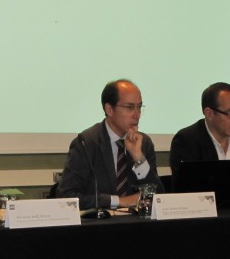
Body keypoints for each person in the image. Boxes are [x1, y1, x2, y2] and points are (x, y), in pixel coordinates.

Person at [57, 79, 163, 210]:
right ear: (109, 109)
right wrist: (118, 201)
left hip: (135, 221)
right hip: (100, 221)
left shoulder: (143, 143)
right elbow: (66, 197)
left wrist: (138, 157)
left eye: (139, 107)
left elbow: (158, 196)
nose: (137, 115)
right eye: (129, 107)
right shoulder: (86, 143)